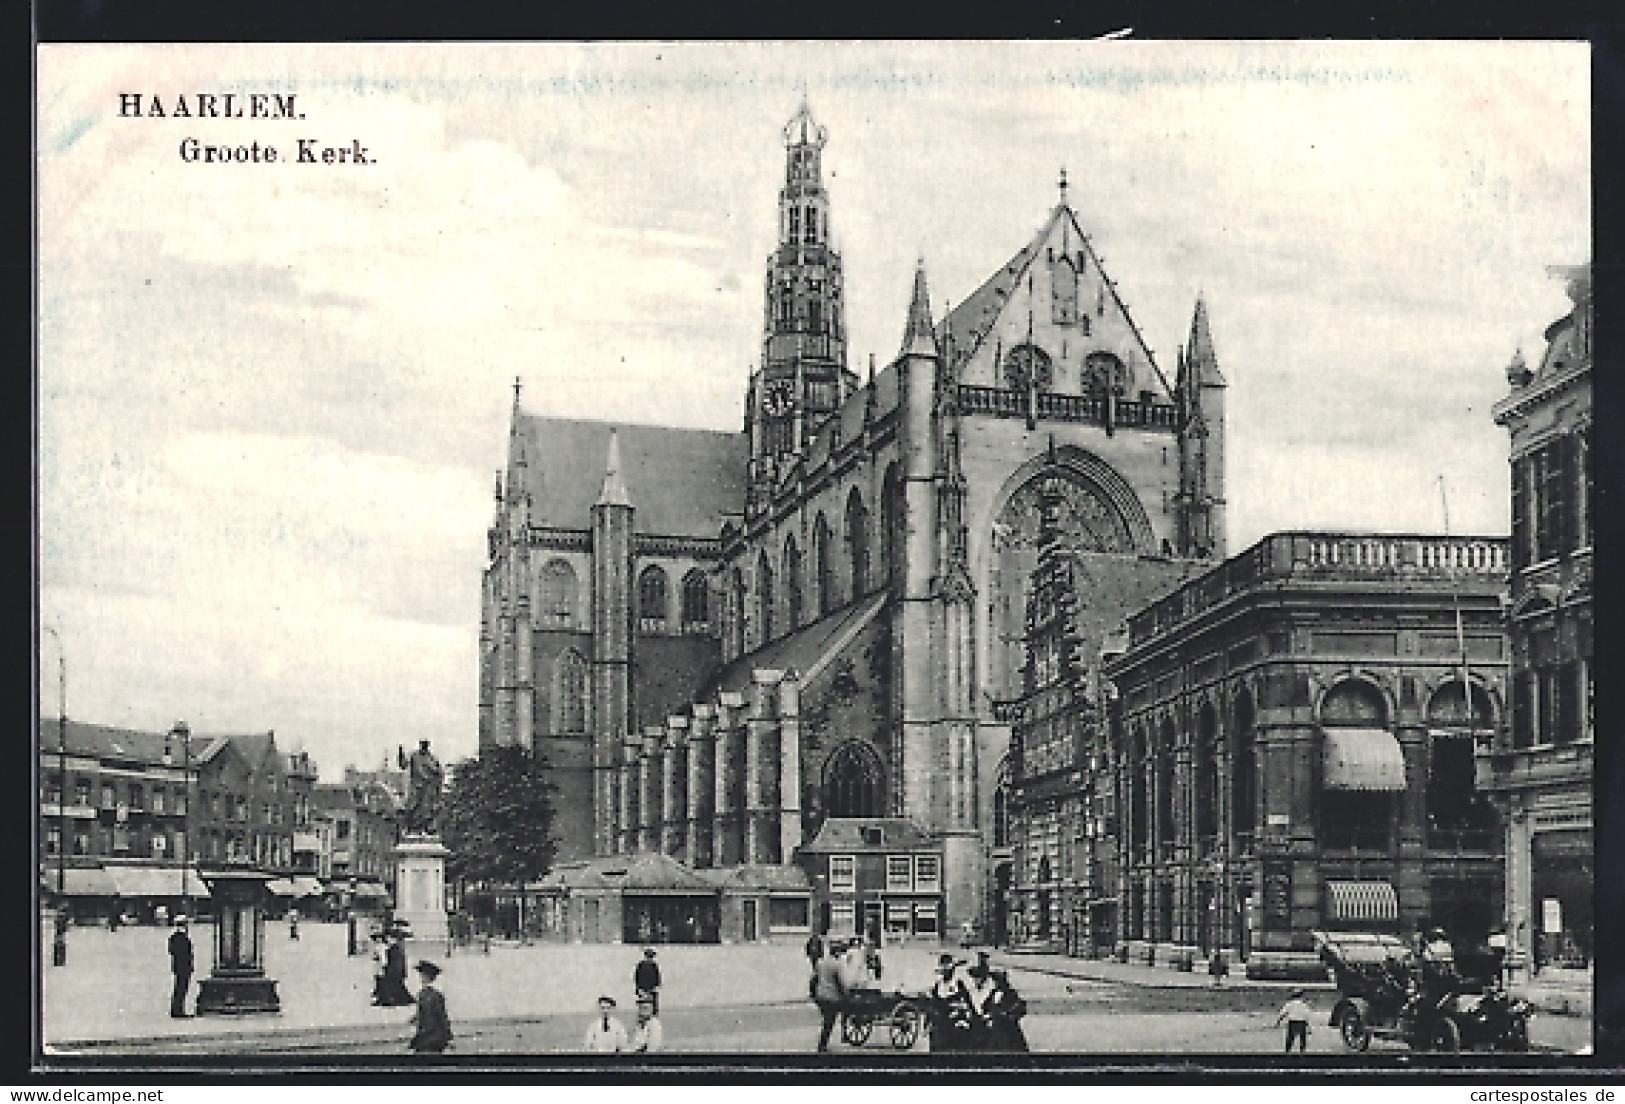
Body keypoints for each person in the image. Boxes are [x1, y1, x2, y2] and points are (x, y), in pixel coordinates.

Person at [927, 953, 976, 1053]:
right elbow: (932, 1004)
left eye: (949, 970)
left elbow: (968, 1002)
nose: (946, 973)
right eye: (944, 970)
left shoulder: (958, 984)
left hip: (955, 1021)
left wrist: (966, 1016)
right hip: (940, 1023)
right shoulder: (938, 986)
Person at [980, 955, 1029, 1053]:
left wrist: (1008, 1015)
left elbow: (1020, 1008)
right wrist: (987, 1015)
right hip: (995, 1029)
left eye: (998, 980)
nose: (996, 983)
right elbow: (986, 1006)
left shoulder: (1010, 993)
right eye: (995, 981)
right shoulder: (994, 993)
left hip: (1008, 1029)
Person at [398, 739, 445, 835]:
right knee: (413, 807)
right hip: (416, 786)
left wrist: (437, 783)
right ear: (420, 744)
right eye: (422, 744)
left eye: (426, 744)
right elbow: (403, 765)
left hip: (428, 788)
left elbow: (439, 773)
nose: (424, 746)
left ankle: (426, 829)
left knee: (427, 810)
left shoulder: (432, 758)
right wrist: (400, 754)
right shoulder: (414, 756)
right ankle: (412, 829)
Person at [811, 938, 849, 1052]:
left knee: (827, 1019)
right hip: (832, 997)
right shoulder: (836, 965)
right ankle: (823, 1044)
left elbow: (814, 979)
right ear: (837, 953)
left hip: (820, 995)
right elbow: (840, 983)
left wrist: (814, 993)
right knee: (831, 1020)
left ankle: (824, 1043)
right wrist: (846, 994)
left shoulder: (820, 963)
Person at [409, 960, 453, 1053]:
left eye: (422, 975)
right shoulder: (423, 994)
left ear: (428, 977)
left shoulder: (433, 995)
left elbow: (442, 1017)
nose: (420, 978)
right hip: (427, 1036)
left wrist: (448, 1037)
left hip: (432, 1037)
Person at [374, 927, 416, 1007]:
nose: (389, 940)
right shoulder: (392, 948)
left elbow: (391, 961)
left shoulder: (394, 949)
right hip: (393, 970)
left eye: (390, 938)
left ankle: (392, 999)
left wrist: (386, 966)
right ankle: (387, 998)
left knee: (392, 984)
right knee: (391, 984)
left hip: (394, 971)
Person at [167, 915, 194, 1018]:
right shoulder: (182, 938)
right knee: (181, 988)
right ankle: (178, 1010)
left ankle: (176, 1009)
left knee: (179, 987)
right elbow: (185, 953)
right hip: (183, 967)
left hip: (178, 966)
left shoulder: (174, 938)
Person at [1275, 988, 1313, 1053]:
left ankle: (1287, 1053)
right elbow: (1307, 1016)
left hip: (1293, 1023)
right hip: (1302, 1023)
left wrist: (1278, 1022)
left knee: (1290, 1040)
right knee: (1302, 1041)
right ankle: (1302, 1054)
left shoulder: (1290, 1004)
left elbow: (1282, 1014)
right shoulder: (1304, 1005)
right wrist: (1309, 1027)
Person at [634, 947, 662, 1015]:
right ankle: (653, 1014)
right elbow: (657, 977)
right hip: (651, 989)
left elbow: (636, 977)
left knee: (642, 1003)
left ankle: (642, 1013)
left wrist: (638, 988)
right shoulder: (653, 965)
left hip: (642, 988)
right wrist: (657, 986)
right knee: (653, 1004)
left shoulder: (640, 965)